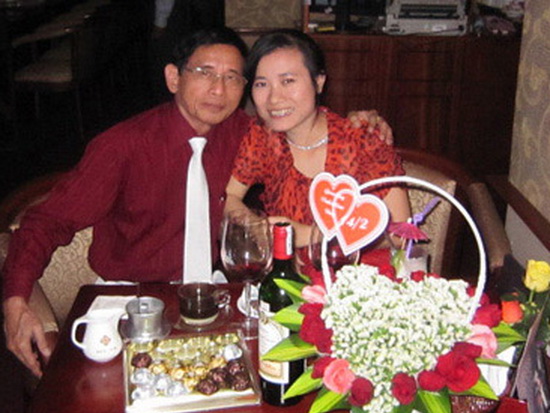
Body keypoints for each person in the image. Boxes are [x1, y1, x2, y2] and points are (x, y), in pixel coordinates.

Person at [2, 26, 391, 378]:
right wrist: (16, 300)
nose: (219, 90)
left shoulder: (249, 136)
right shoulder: (122, 146)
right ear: (174, 78)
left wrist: (363, 123)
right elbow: (46, 220)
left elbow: (308, 125)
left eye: (233, 77)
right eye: (205, 73)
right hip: (132, 302)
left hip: (218, 300)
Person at [224, 29, 411, 248]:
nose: (274, 98)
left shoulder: (361, 140)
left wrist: (313, 236)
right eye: (261, 84)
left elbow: (401, 234)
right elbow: (229, 196)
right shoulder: (263, 137)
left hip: (355, 268)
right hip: (288, 269)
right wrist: (257, 227)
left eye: (288, 81)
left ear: (319, 82)